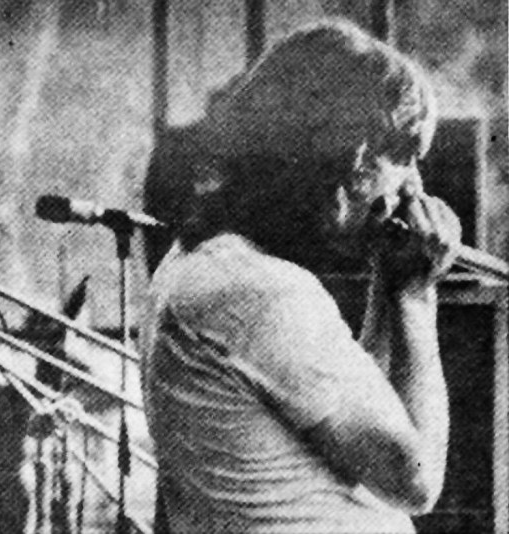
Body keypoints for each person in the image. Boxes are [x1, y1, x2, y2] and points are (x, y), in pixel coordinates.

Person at [141, 20, 457, 533]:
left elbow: (366, 414)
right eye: (402, 158)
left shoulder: (204, 263)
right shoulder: (261, 292)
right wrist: (417, 300)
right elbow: (414, 480)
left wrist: (390, 283)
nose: (412, 187)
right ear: (355, 159)